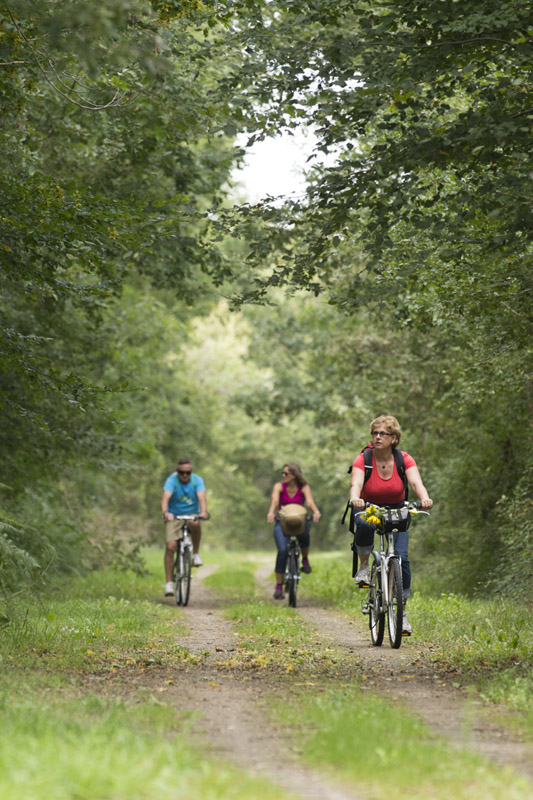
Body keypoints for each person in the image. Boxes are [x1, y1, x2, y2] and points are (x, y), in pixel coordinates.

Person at [349, 415, 433, 635]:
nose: (377, 437)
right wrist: (356, 498)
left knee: (402, 558)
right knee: (364, 524)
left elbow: (415, 482)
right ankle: (364, 567)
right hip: (368, 507)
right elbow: (356, 483)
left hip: (397, 509)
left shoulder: (403, 459)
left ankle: (401, 615)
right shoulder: (364, 459)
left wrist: (424, 498)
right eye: (374, 433)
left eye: (383, 434)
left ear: (394, 438)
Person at [267, 463, 321, 600]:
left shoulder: (304, 487)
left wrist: (315, 511)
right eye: (282, 473)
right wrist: (271, 512)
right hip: (283, 522)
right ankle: (279, 586)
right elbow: (274, 501)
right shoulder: (279, 486)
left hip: (299, 521)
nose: (283, 475)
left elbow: (309, 502)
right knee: (282, 551)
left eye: (286, 473)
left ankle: (305, 560)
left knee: (305, 534)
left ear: (294, 475)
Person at [161, 458, 209, 596]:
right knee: (171, 546)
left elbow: (202, 498)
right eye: (182, 472)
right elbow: (165, 498)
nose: (185, 475)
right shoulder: (172, 481)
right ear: (177, 472)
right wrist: (165, 512)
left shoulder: (197, 480)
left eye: (188, 472)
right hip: (174, 515)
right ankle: (169, 583)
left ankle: (196, 554)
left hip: (191, 514)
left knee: (195, 523)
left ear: (191, 472)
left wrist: (203, 512)